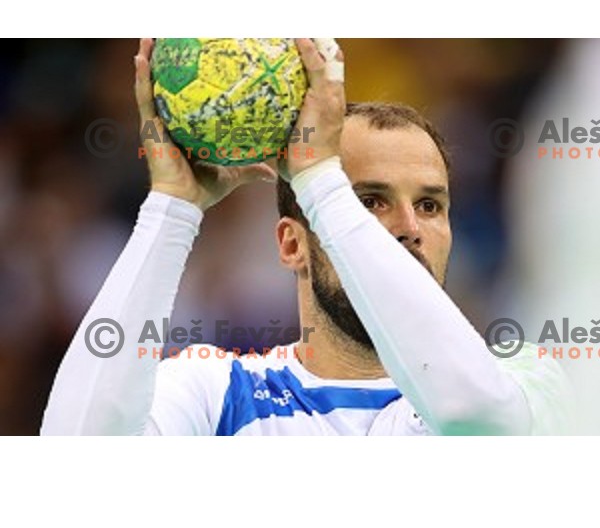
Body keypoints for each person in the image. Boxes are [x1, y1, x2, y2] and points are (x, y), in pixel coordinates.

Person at [41, 38, 569, 436]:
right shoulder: (218, 390)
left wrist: (320, 180)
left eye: (430, 205)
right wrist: (171, 210)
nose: (410, 228)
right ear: (293, 243)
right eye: (368, 202)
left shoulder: (525, 374)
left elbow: (476, 421)